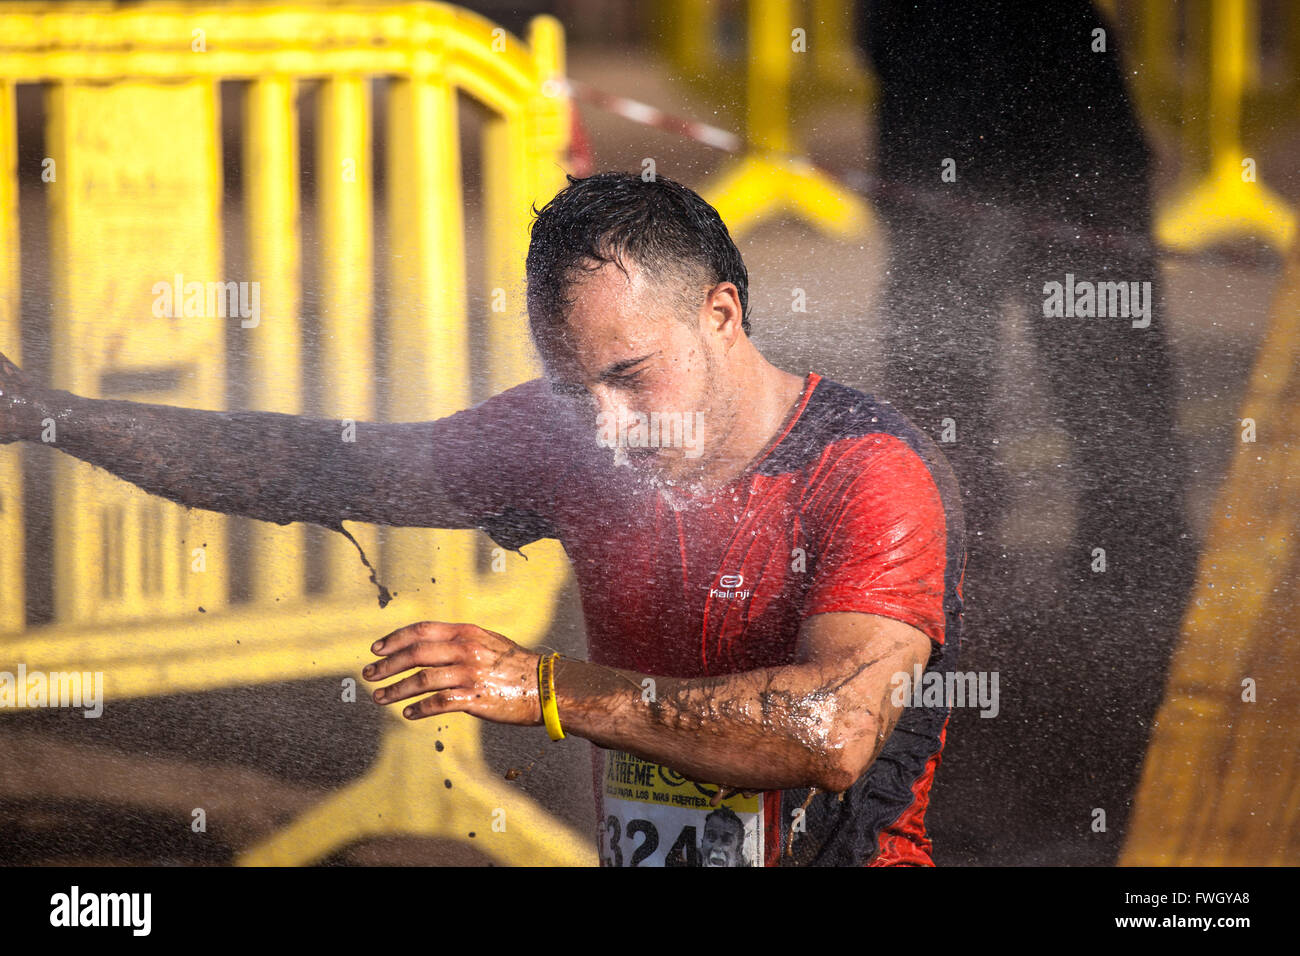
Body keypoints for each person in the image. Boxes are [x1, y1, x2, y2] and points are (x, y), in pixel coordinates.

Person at [0, 172, 965, 866]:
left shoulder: (863, 471)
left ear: (722, 314)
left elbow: (831, 731)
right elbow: (319, 467)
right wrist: (55, 414)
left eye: (630, 376)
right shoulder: (574, 438)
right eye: (569, 384)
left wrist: (542, 685)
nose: (604, 425)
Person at [860, 0, 1197, 862]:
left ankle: (1122, 669)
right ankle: (976, 652)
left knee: (1098, 408)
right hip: (980, 99)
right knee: (966, 412)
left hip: (1022, 102)